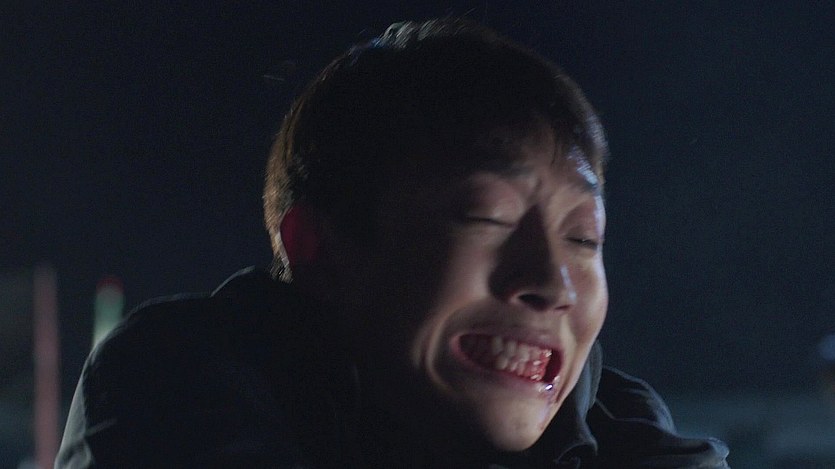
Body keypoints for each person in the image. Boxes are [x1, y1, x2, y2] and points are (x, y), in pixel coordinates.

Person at [56, 18, 730, 468]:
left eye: (583, 237)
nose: (553, 283)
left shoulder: (622, 431)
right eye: (487, 217)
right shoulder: (178, 381)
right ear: (318, 246)